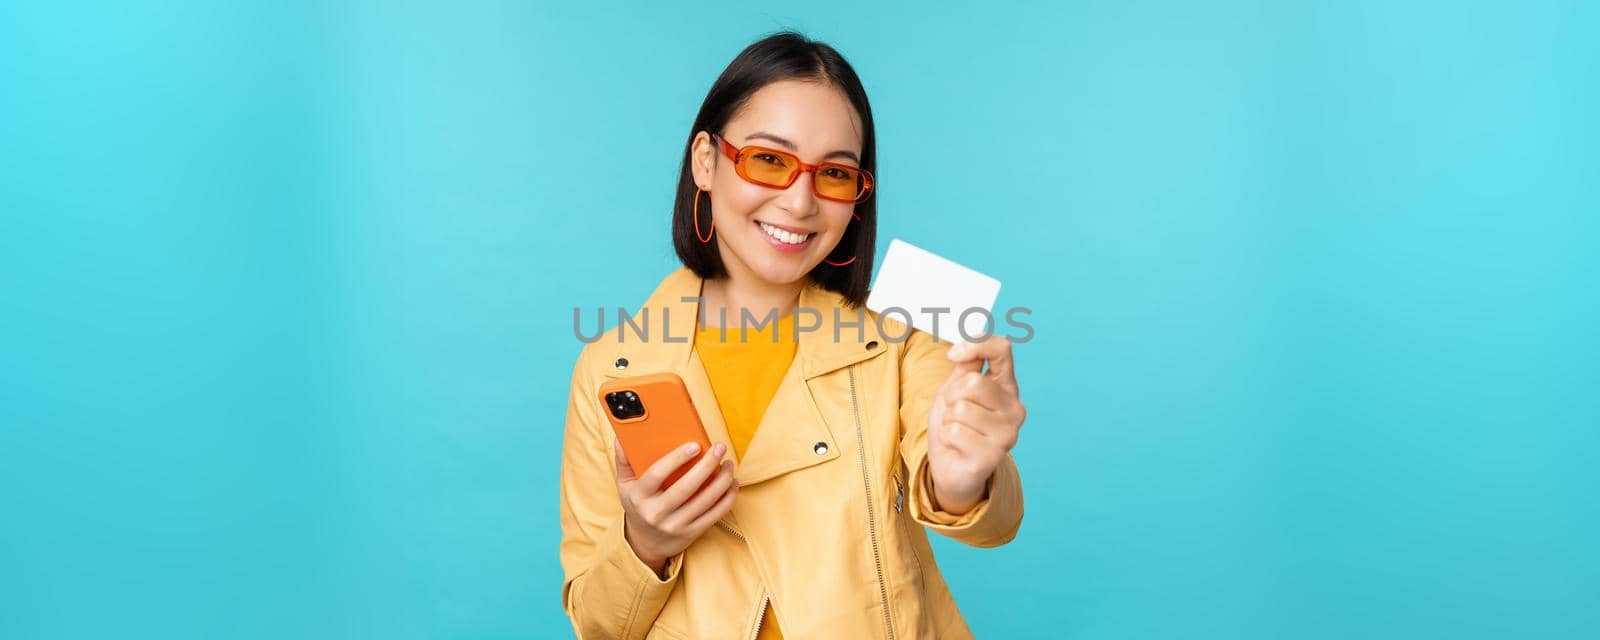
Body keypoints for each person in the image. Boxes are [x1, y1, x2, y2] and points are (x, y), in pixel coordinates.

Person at [558, 31, 1027, 639]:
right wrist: (644, 542)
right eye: (770, 160)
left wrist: (963, 480)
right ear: (706, 161)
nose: (801, 201)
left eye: (835, 173)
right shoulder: (610, 366)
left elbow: (991, 524)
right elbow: (597, 624)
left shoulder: (910, 331)